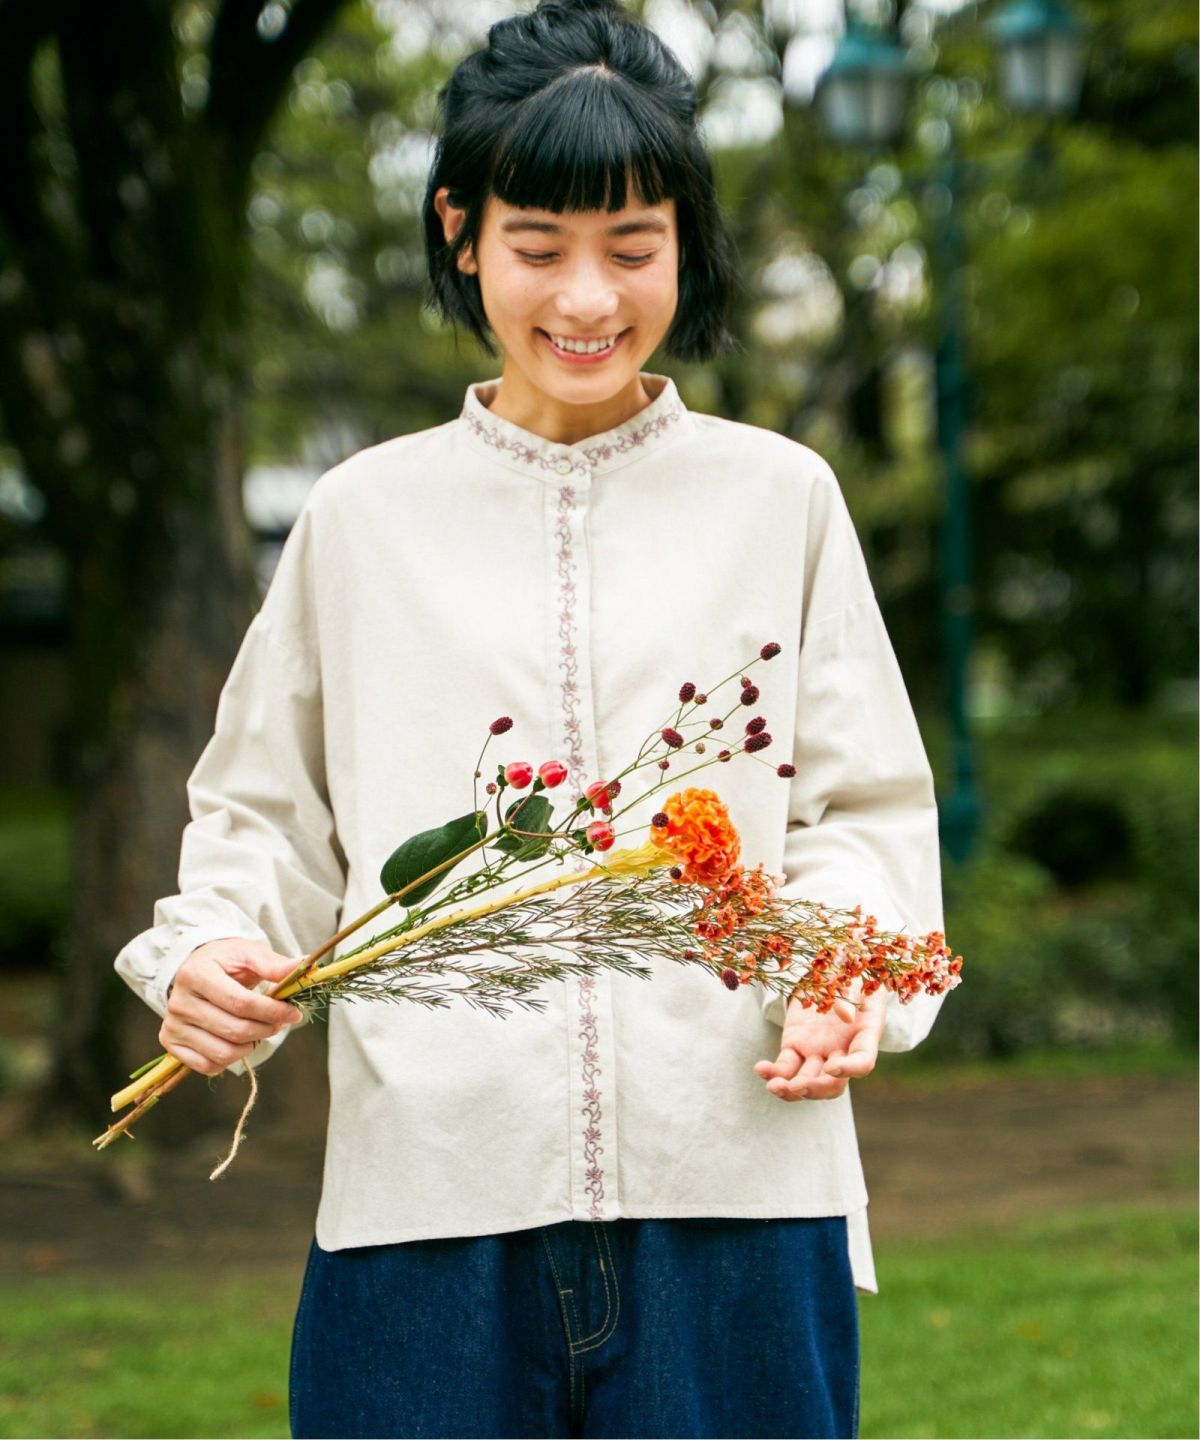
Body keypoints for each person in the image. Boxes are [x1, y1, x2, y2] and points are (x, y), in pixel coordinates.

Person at [114, 1, 948, 1435]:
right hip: (426, 1213)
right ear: (461, 231)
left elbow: (860, 807)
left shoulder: (783, 500)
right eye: (539, 245)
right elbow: (264, 816)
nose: (587, 298)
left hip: (736, 1197)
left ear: (685, 242)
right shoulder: (362, 518)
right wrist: (215, 952)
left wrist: (833, 967)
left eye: (632, 247)